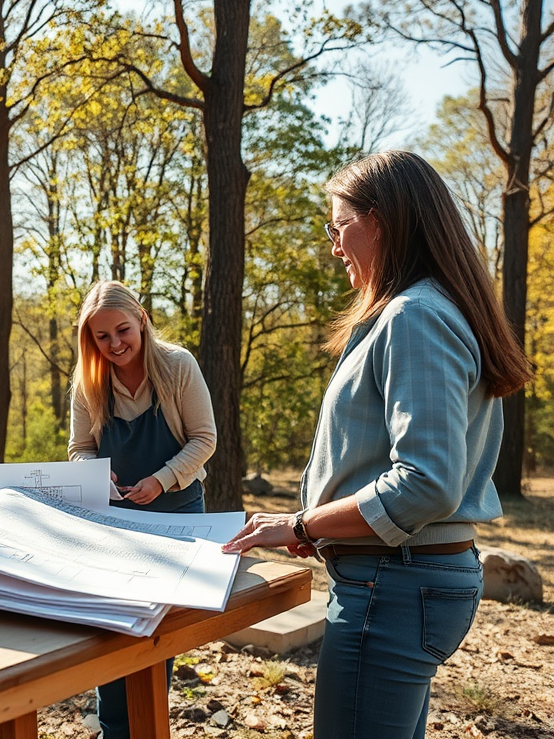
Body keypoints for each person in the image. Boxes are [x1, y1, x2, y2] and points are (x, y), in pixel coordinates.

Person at [222, 150, 532, 739]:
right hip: (398, 582)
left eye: (341, 227)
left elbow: (426, 482)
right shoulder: (419, 310)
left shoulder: (415, 316)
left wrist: (304, 525)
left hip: (393, 586)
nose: (335, 246)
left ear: (383, 223)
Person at [68, 279, 217, 739]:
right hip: (117, 524)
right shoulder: (88, 383)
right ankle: (114, 728)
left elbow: (204, 439)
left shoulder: (177, 367)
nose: (115, 344)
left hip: (178, 517)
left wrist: (163, 479)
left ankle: (148, 724)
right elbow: (78, 449)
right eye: (102, 336)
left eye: (123, 331)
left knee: (156, 634)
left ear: (142, 322)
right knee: (113, 626)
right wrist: (97, 476)